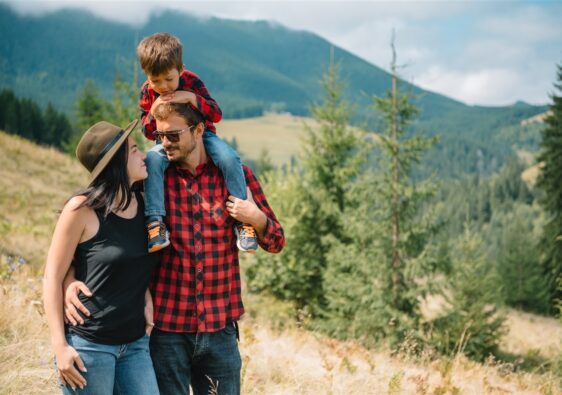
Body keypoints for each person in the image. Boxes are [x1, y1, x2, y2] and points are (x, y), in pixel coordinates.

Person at [65, 103, 285, 395]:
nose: (164, 144)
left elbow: (276, 241)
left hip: (221, 328)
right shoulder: (150, 181)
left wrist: (256, 219)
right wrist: (69, 280)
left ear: (198, 130)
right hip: (166, 330)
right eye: (160, 136)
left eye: (173, 135)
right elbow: (101, 241)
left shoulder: (234, 176)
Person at [43, 120, 160, 394]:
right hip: (89, 345)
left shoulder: (146, 203)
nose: (143, 155)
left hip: (135, 343)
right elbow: (52, 275)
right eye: (133, 150)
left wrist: (144, 295)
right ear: (115, 162)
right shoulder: (81, 210)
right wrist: (60, 346)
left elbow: (132, 264)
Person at [137, 32, 258, 253]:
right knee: (153, 158)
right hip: (166, 140)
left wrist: (192, 98)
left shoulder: (192, 81)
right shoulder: (147, 91)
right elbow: (147, 132)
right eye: (156, 80)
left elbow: (216, 114)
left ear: (180, 69)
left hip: (203, 136)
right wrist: (152, 113)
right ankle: (155, 223)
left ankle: (243, 223)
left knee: (229, 158)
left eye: (168, 78)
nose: (163, 86)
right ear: (147, 75)